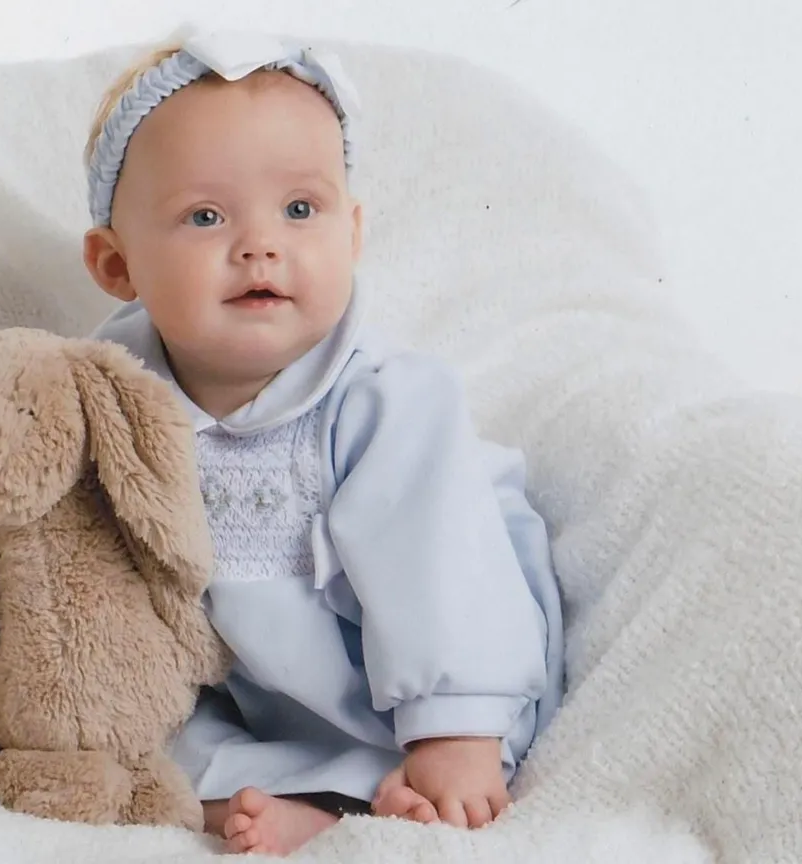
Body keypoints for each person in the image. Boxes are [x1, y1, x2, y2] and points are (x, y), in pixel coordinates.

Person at [80, 30, 565, 856]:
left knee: (456, 731)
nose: (259, 245)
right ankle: (304, 805)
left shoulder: (384, 399)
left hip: (421, 665)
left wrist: (455, 732)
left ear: (353, 233)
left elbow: (441, 563)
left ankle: (428, 762)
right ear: (117, 266)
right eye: (205, 216)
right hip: (254, 696)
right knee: (156, 753)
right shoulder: (111, 396)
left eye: (300, 210)